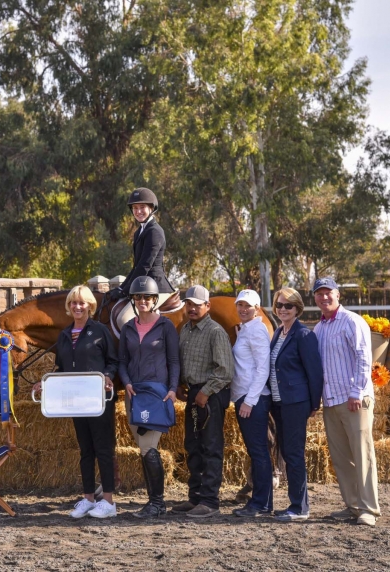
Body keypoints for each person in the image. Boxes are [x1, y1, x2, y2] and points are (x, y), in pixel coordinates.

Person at [34, 285, 119, 518]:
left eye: (82, 303)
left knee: (103, 449)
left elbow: (113, 362)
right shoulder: (64, 335)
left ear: (90, 306)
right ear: (69, 307)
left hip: (98, 399)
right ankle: (89, 498)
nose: (77, 306)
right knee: (85, 450)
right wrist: (46, 383)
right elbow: (62, 369)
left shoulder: (101, 331)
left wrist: (108, 377)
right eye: (73, 303)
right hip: (76, 401)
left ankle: (109, 502)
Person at [312, 277, 380, 526]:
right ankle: (353, 506)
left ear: (338, 295)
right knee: (341, 458)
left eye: (328, 293)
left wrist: (357, 392)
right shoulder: (319, 328)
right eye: (319, 294)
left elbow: (364, 358)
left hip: (354, 400)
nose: (324, 297)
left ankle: (369, 509)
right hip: (331, 401)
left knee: (362, 454)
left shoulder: (352, 321)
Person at [118, 276, 180, 518]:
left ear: (155, 300)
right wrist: (127, 382)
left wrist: (172, 389)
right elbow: (122, 362)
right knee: (143, 449)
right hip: (134, 394)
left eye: (146, 297)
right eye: (138, 297)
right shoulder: (127, 328)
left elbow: (174, 361)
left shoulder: (166, 327)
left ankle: (157, 503)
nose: (142, 300)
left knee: (149, 447)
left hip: (157, 394)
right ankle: (154, 501)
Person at [172, 285, 234, 519]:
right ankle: (195, 497)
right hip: (194, 393)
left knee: (210, 446)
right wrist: (179, 384)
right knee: (193, 446)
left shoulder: (216, 332)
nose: (192, 308)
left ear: (207, 306)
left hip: (211, 394)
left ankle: (210, 501)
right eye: (189, 304)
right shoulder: (185, 330)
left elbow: (225, 370)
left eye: (197, 304)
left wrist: (205, 392)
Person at [266, 287, 324, 522]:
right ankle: (294, 503)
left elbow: (315, 372)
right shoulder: (279, 332)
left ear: (297, 308)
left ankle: (300, 508)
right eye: (279, 305)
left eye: (288, 305)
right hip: (279, 403)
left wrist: (313, 403)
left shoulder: (304, 335)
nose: (283, 309)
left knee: (294, 453)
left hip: (296, 403)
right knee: (287, 452)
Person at [228, 289, 275, 518]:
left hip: (252, 399)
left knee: (259, 452)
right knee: (256, 451)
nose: (243, 309)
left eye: (248, 306)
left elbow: (262, 368)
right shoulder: (247, 329)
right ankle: (261, 502)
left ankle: (261, 504)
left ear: (257, 308)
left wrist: (250, 400)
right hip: (245, 397)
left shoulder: (257, 330)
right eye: (240, 305)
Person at [112, 188, 176, 328]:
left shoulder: (155, 232)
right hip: (143, 284)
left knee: (124, 319)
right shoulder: (138, 232)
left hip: (156, 286)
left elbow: (145, 266)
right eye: (135, 208)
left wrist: (126, 289)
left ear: (151, 208)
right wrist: (121, 287)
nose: (138, 211)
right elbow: (136, 266)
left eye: (142, 207)